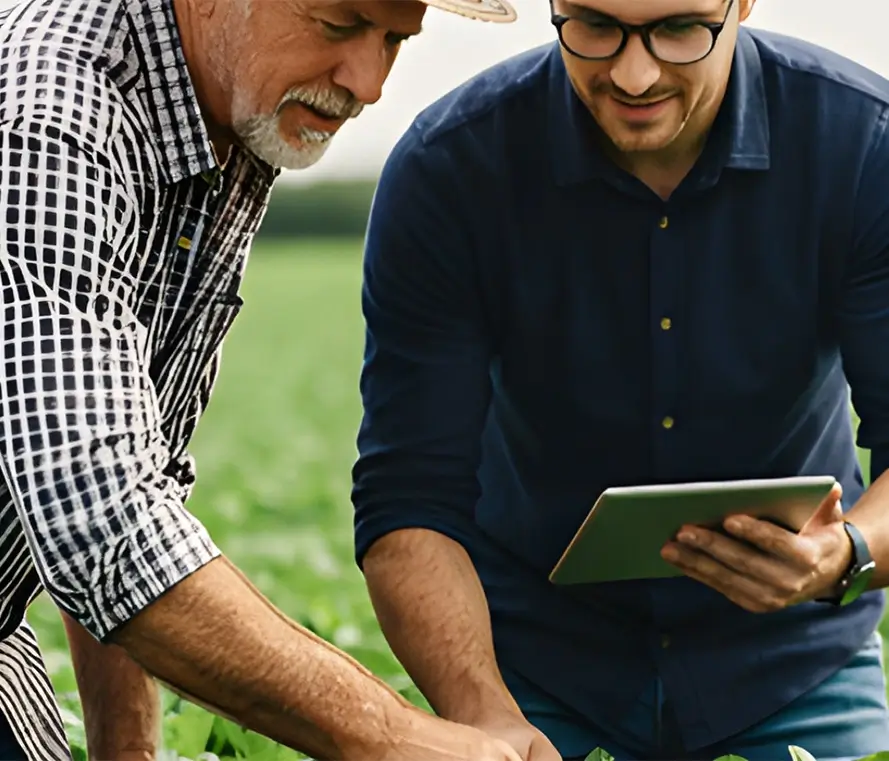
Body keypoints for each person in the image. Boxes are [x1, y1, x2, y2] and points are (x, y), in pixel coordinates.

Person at [351, 0, 889, 758]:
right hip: (534, 671)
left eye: (677, 29)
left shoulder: (863, 143)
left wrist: (847, 555)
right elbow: (407, 497)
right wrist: (485, 713)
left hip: (794, 669)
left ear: (740, 5)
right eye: (593, 25)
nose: (633, 75)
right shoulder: (451, 167)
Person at [0, 0, 530, 758]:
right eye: (340, 25)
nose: (369, 83)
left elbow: (124, 464)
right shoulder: (46, 116)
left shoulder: (233, 111)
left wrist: (131, 751)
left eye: (395, 41)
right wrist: (392, 737)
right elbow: (100, 513)